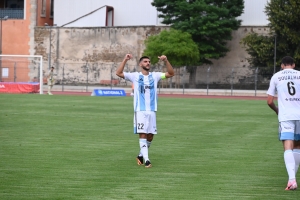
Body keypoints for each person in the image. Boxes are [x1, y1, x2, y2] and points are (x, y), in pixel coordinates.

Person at [116, 54, 174, 168]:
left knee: (150, 136)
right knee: (143, 134)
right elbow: (118, 73)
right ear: (140, 64)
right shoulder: (135, 76)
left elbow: (171, 73)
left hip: (152, 110)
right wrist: (125, 60)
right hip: (140, 110)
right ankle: (147, 160)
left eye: (149, 61)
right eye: (145, 62)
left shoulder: (155, 76)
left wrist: (166, 61)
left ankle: (140, 155)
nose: (148, 63)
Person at [267, 56, 300, 190]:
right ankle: (291, 179)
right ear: (293, 64)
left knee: (288, 147)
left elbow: (269, 101)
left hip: (286, 116)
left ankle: (292, 180)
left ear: (282, 65)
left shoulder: (276, 76)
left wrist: (277, 110)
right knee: (297, 147)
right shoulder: (299, 75)